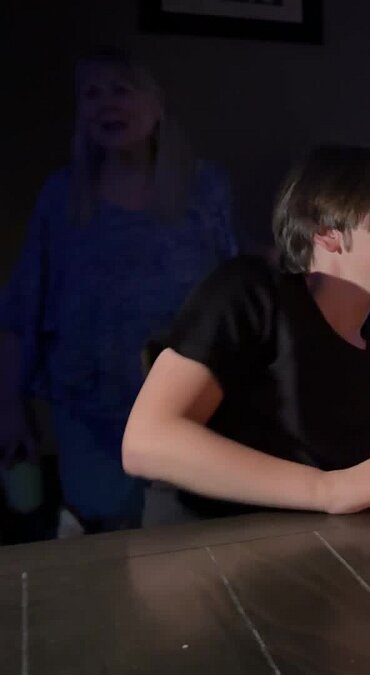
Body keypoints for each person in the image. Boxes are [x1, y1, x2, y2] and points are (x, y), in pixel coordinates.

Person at [122, 145, 370, 516]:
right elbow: (148, 441)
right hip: (205, 548)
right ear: (326, 228)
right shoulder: (251, 295)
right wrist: (326, 489)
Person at [0, 48, 237, 533]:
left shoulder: (205, 189)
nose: (106, 104)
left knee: (188, 549)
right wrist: (10, 412)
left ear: (156, 104)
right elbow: (21, 311)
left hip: (191, 409)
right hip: (88, 418)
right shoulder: (62, 198)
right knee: (105, 547)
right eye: (92, 94)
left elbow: (237, 296)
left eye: (121, 91)